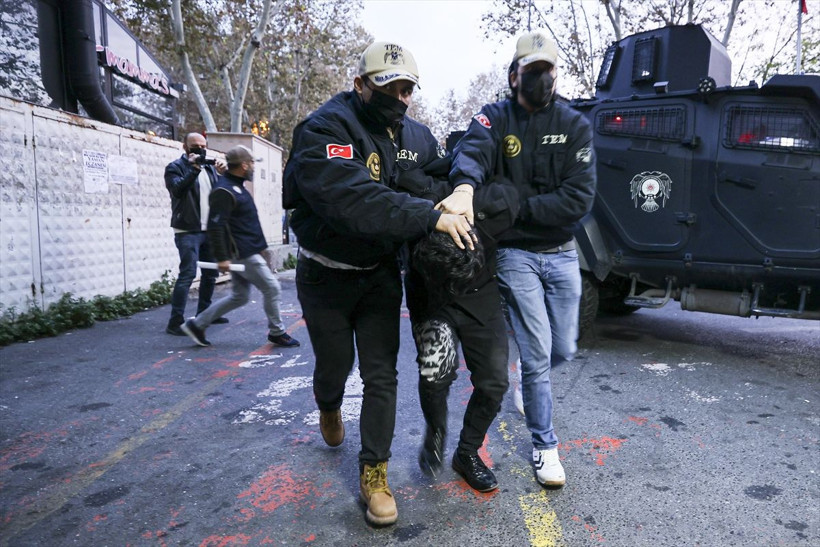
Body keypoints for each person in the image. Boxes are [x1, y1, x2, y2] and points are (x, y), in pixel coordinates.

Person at [282, 41, 474, 526]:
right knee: (336, 365)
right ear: (360, 85)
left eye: (407, 88)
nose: (400, 96)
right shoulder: (324, 129)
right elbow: (355, 199)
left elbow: (441, 171)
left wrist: (468, 181)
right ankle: (327, 402)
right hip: (325, 274)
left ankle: (375, 474)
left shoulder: (415, 133)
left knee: (381, 375)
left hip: (379, 276)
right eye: (389, 87)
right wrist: (428, 216)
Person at [447, 31, 597, 488]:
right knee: (535, 355)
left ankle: (526, 384)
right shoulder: (494, 118)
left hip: (563, 252)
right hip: (515, 255)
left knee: (564, 348)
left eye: (546, 70)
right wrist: (467, 188)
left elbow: (578, 198)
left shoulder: (575, 124)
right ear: (514, 75)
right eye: (531, 71)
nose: (539, 78)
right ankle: (545, 446)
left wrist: (514, 205)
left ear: (555, 75)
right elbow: (471, 153)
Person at [399, 164, 519, 493]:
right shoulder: (412, 207)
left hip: (480, 293)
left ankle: (466, 453)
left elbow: (522, 197)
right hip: (430, 295)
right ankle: (435, 429)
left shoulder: (495, 207)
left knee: (494, 381)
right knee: (435, 371)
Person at [181, 145, 300, 349]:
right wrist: (222, 258)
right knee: (272, 288)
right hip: (242, 253)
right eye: (252, 163)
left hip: (248, 250)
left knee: (240, 296)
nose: (253, 167)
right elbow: (215, 225)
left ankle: (197, 324)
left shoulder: (235, 186)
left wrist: (260, 248)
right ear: (244, 165)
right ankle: (277, 332)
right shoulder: (224, 190)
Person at [164, 132, 229, 335]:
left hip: (209, 230)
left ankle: (205, 314)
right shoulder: (175, 167)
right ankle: (175, 323)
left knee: (211, 274)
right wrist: (193, 169)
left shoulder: (210, 167)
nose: (199, 149)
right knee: (188, 274)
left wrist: (224, 174)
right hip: (187, 230)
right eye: (194, 146)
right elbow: (177, 190)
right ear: (185, 147)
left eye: (203, 146)